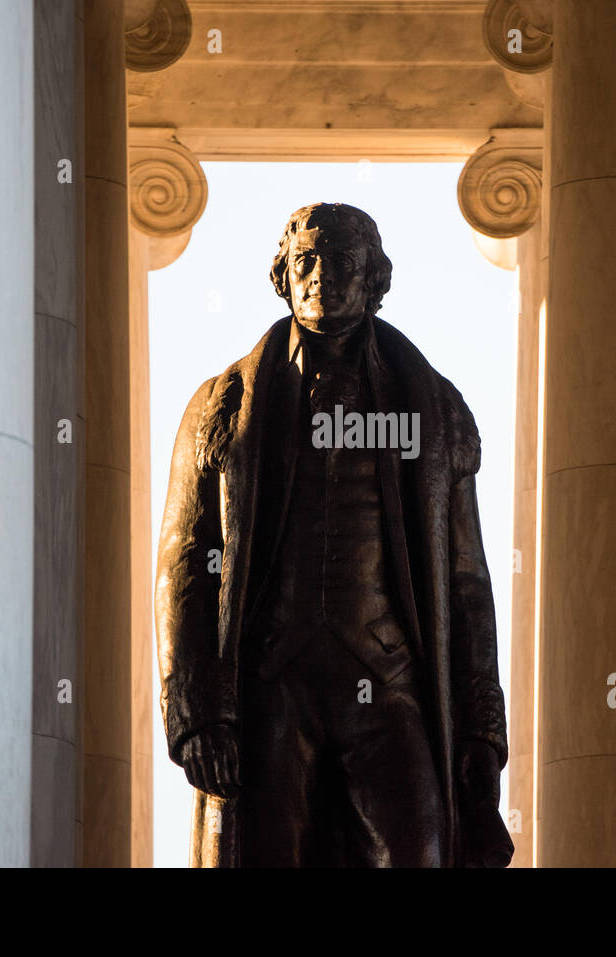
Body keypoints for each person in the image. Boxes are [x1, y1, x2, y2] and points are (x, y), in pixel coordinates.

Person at [155, 202, 512, 866]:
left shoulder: (435, 411)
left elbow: (467, 581)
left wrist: (482, 729)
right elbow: (183, 560)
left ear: (373, 278)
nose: (319, 276)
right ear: (284, 276)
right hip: (272, 684)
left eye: (339, 261)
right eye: (304, 261)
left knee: (421, 849)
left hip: (389, 682)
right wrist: (197, 709)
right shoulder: (221, 406)